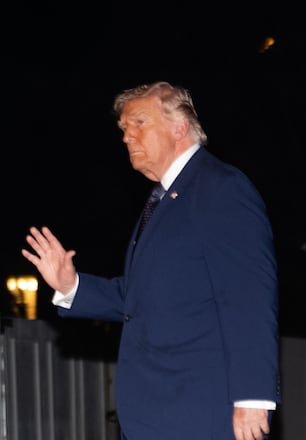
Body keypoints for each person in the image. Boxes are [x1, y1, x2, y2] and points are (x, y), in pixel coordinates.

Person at [21, 81, 281, 440]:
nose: (127, 136)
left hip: (203, 412)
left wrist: (254, 396)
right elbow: (141, 297)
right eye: (124, 129)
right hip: (157, 412)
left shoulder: (221, 188)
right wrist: (70, 285)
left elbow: (248, 295)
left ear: (180, 127)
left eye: (139, 123)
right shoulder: (162, 200)